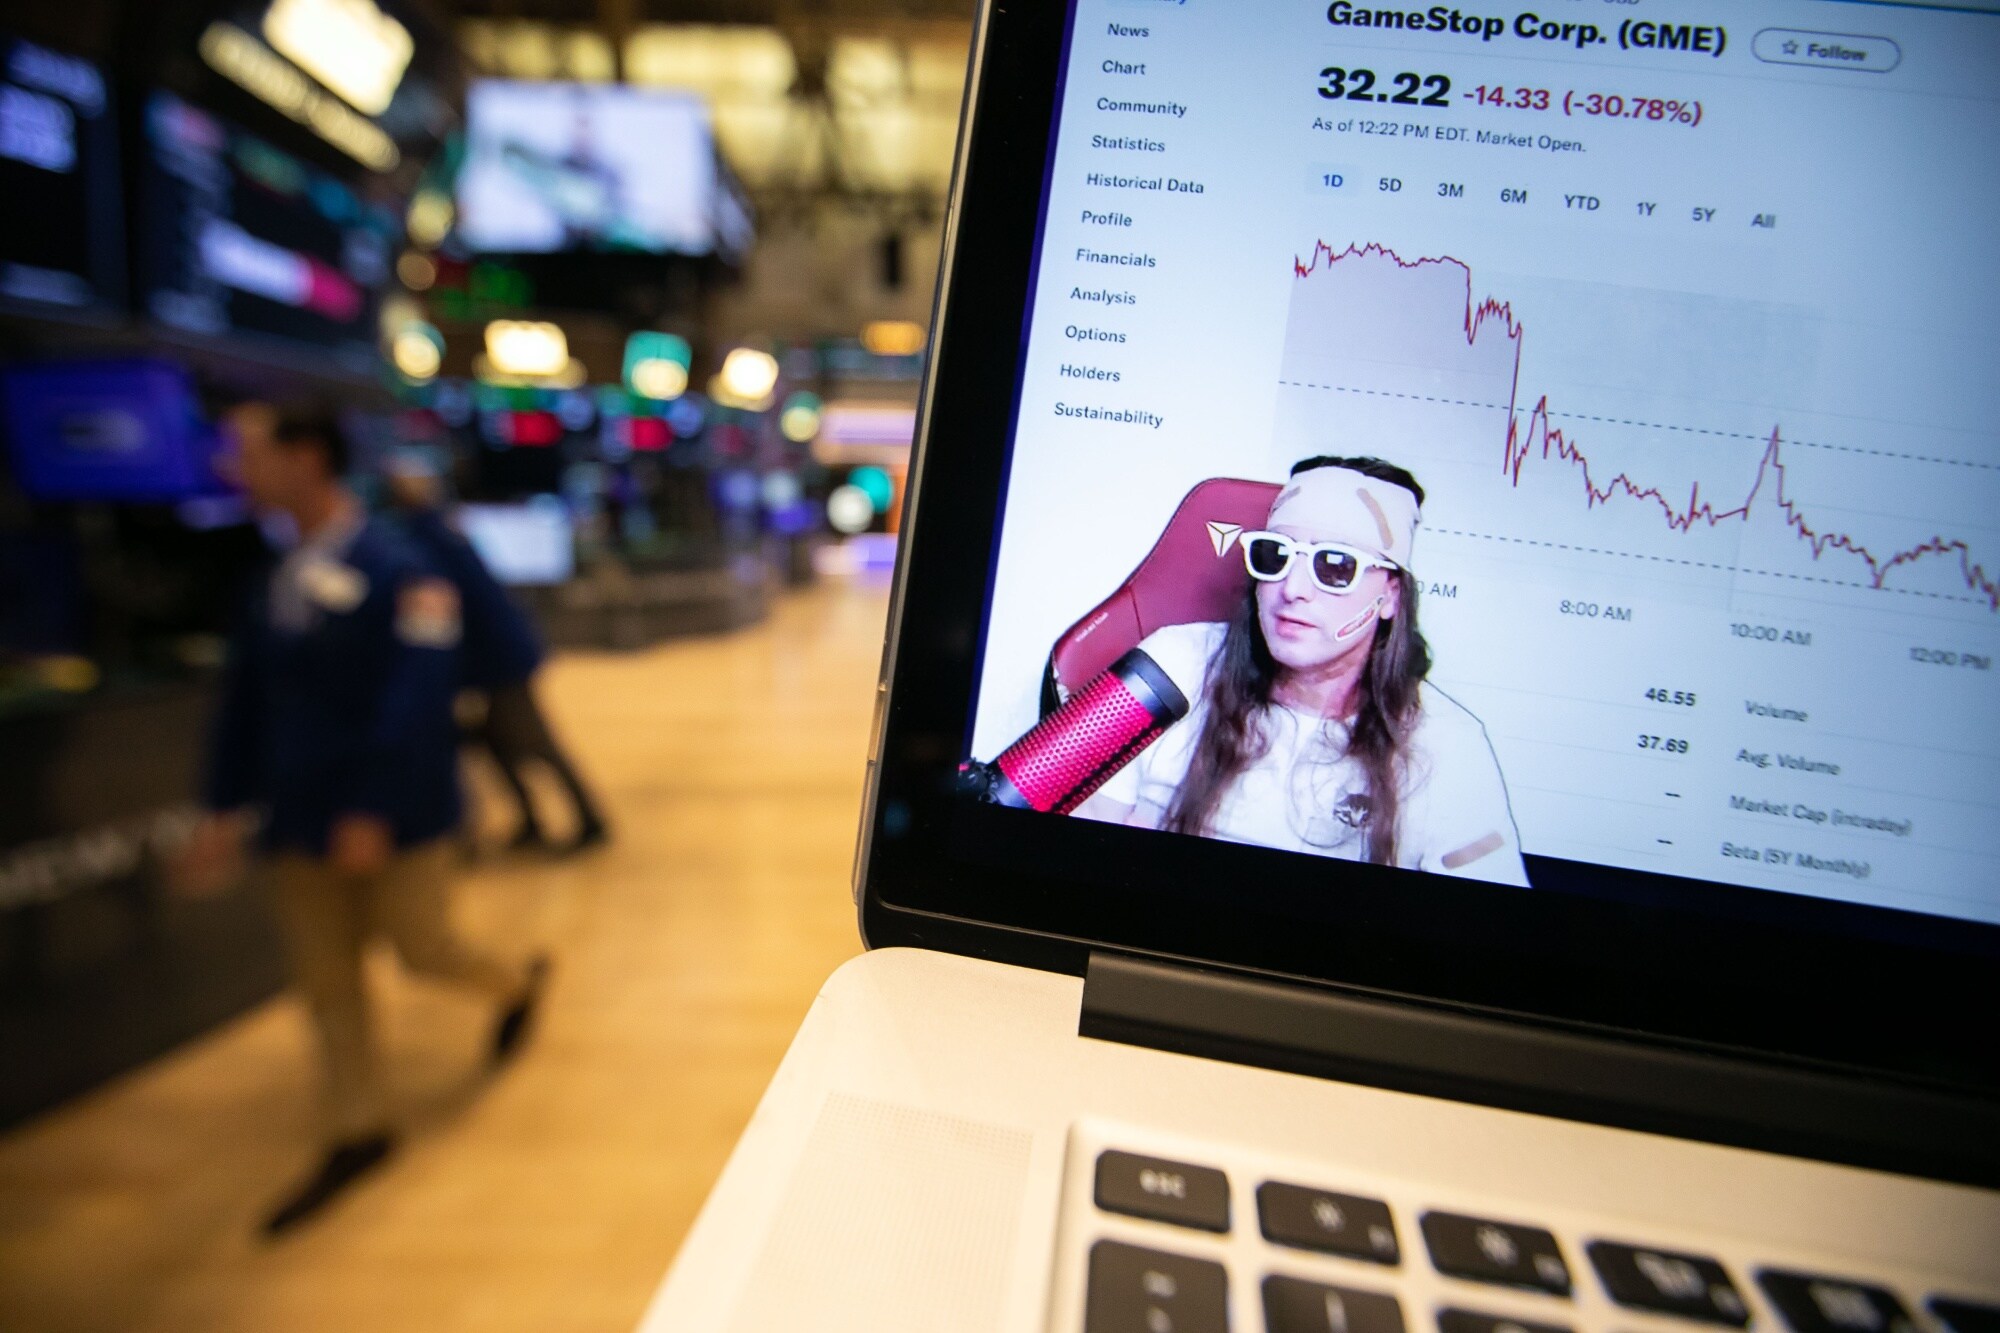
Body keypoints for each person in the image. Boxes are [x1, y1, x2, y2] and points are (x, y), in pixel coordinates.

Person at [177, 404, 549, 1235]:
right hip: (299, 820)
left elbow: (419, 698)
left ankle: (518, 982)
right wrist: (220, 808)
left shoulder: (405, 568)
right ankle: (359, 1126)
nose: (232, 467)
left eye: (249, 451)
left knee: (425, 947)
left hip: (400, 816)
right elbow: (246, 705)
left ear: (307, 458)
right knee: (327, 979)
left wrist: (373, 805)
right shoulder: (271, 576)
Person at [1080, 455, 1529, 886]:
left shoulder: (1447, 745)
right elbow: (1058, 835)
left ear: (1390, 595)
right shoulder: (1172, 665)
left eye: (1335, 565)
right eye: (1276, 556)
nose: (1292, 589)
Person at [382, 462, 609, 853]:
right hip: (491, 659)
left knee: (535, 744)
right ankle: (531, 821)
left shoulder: (424, 541)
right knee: (494, 745)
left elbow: (449, 613)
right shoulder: (437, 532)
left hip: (499, 661)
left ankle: (591, 822)